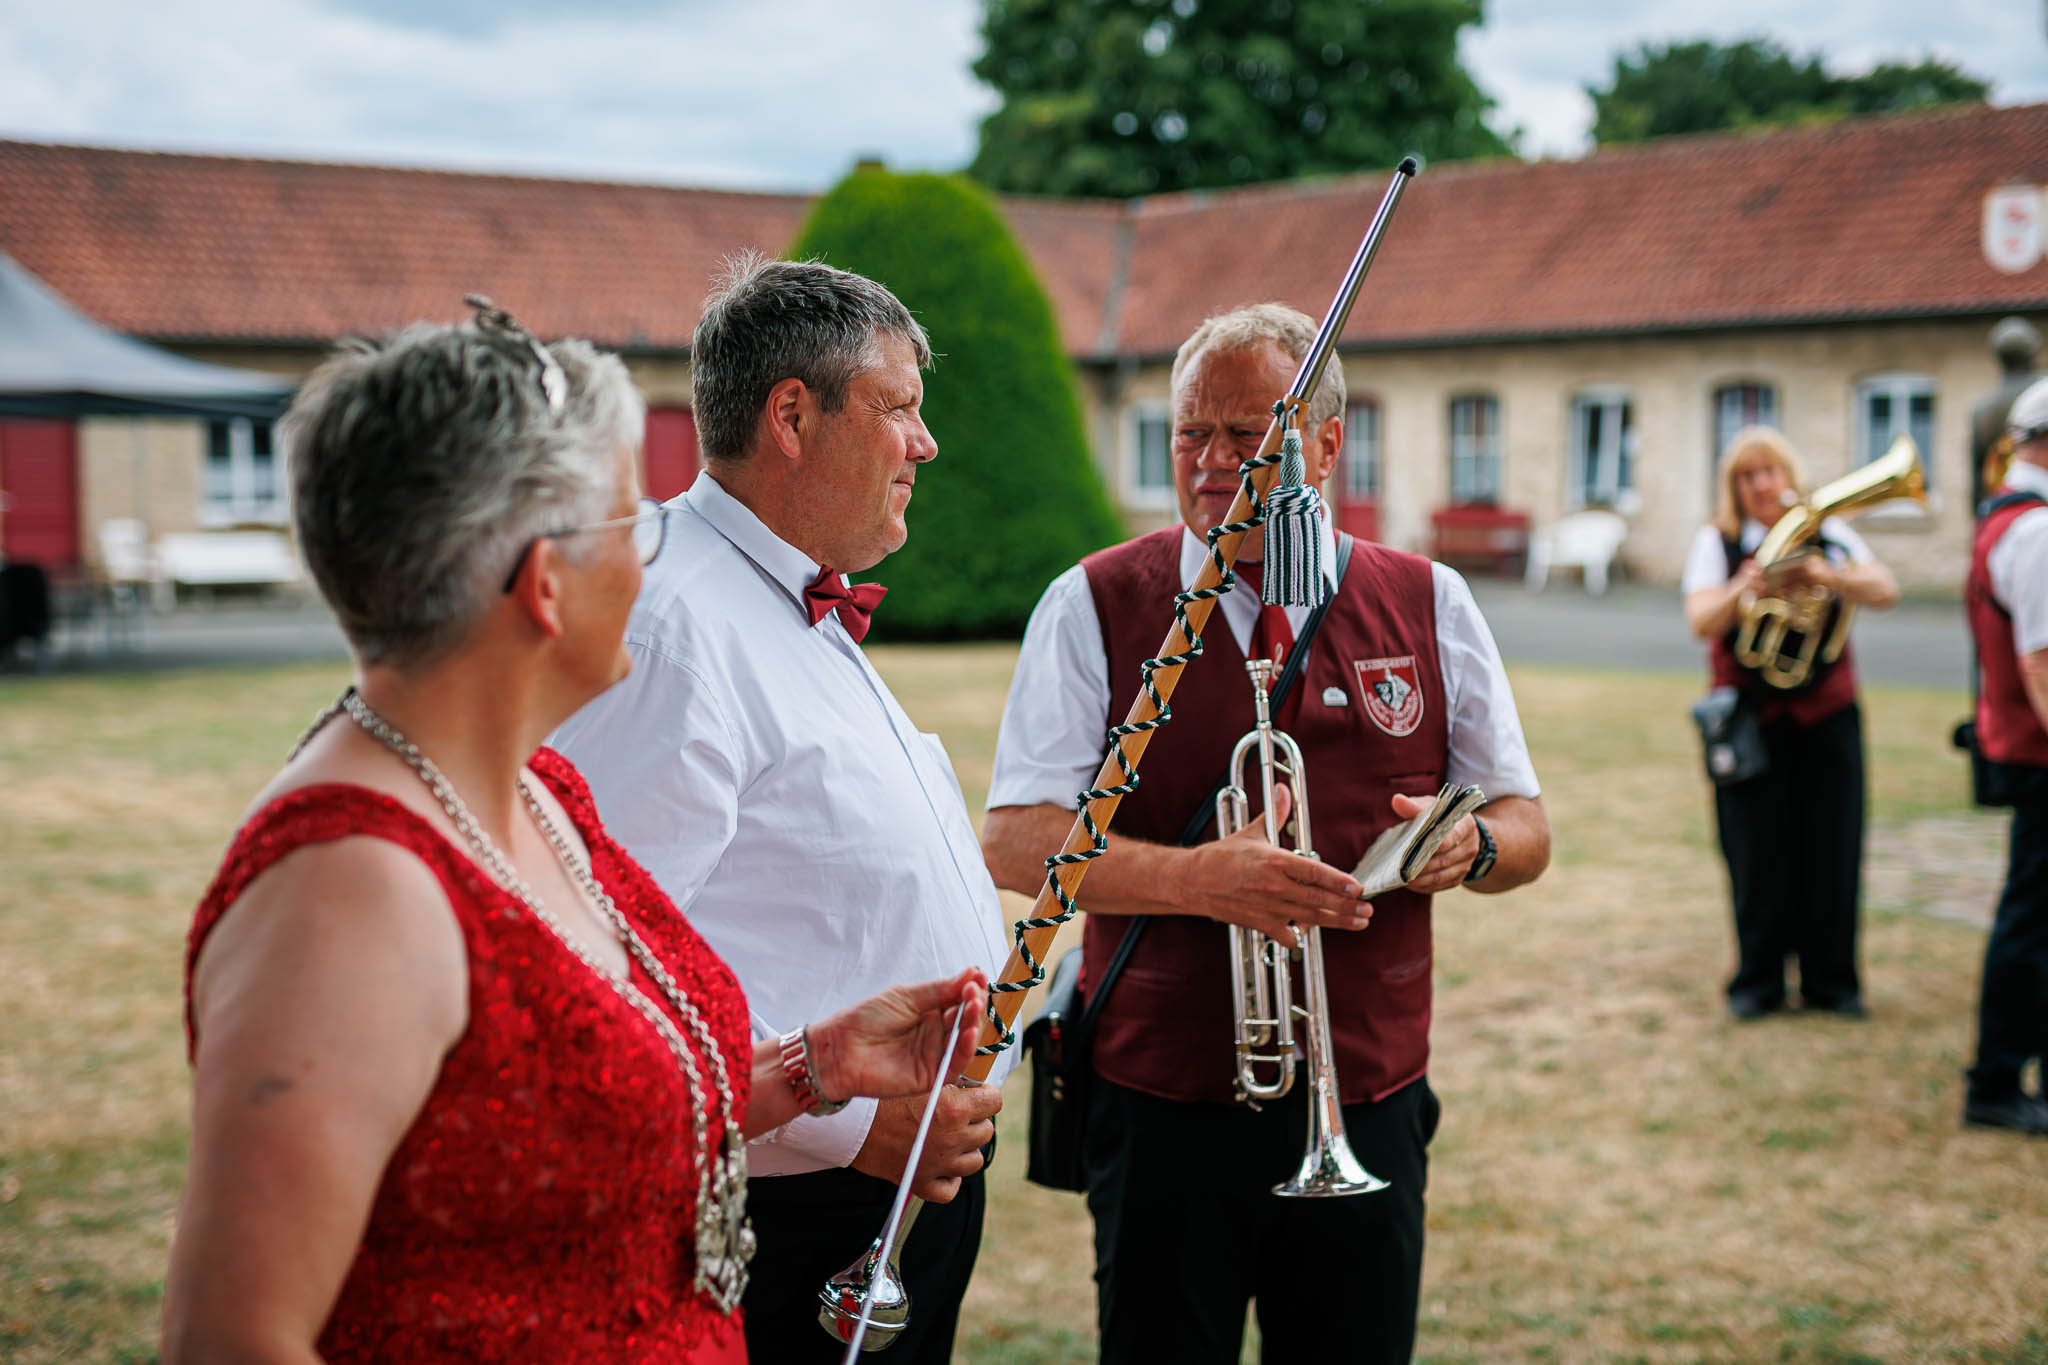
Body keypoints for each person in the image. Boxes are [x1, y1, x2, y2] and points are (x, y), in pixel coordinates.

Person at [160, 306, 990, 1365]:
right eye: (624, 521)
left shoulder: (542, 795)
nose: (654, 555)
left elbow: (574, 1101)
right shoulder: (345, 887)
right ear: (543, 581)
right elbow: (231, 1335)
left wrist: (813, 1067)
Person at [981, 303, 1550, 1365]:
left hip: (1368, 1090)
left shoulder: (1429, 600)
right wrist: (1197, 880)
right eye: (1188, 433)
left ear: (1326, 445)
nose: (1210, 462)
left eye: (1246, 433)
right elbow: (1016, 840)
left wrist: (1472, 849)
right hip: (1162, 1101)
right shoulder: (1090, 601)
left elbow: (1524, 825)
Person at [550, 256, 1012, 1364]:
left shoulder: (782, 589)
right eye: (899, 408)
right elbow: (603, 969)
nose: (926, 444)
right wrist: (849, 1126)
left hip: (889, 1185)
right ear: (793, 417)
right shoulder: (666, 625)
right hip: (793, 1214)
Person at [1681, 427, 1900, 1021]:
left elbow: (1885, 588)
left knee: (1833, 848)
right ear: (1733, 488)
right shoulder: (1718, 542)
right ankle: (1758, 983)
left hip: (1827, 715)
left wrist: (1831, 577)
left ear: (1789, 476)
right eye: (1747, 476)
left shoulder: (1829, 533)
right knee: (1755, 854)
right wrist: (1742, 587)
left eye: (1770, 471)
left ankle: (1833, 983)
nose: (1761, 485)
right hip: (1749, 721)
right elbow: (1700, 618)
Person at [1962, 375, 2048, 1135]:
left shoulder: (2005, 514)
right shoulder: (2038, 529)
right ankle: (1995, 1080)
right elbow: (2042, 662)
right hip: (2040, 751)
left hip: (2023, 745)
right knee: (2029, 920)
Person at [1969, 316, 2042, 508]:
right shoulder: (2043, 392)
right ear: (2032, 351)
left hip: (2000, 506)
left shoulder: (1982, 409)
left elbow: (1978, 477)